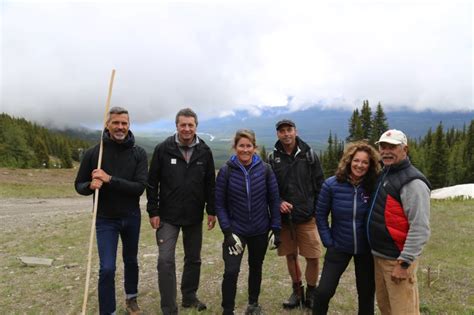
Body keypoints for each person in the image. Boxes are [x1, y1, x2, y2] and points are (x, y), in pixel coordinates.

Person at [75, 106, 148, 315]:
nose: (120, 127)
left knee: (131, 260)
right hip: (105, 219)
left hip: (131, 217)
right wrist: (90, 186)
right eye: (116, 122)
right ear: (107, 124)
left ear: (129, 125)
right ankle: (108, 311)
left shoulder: (139, 154)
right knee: (107, 268)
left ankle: (131, 298)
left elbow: (139, 187)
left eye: (124, 123)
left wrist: (109, 180)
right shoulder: (94, 153)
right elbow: (79, 185)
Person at [146, 108, 216, 315]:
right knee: (165, 260)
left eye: (190, 125)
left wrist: (211, 210)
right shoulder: (163, 149)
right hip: (168, 216)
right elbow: (152, 183)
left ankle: (189, 297)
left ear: (196, 126)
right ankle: (169, 308)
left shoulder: (205, 151)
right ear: (176, 126)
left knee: (193, 258)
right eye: (183, 125)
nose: (186, 128)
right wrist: (153, 211)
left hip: (194, 215)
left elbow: (210, 184)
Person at [215, 129, 281, 315]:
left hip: (260, 229)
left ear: (255, 147)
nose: (245, 149)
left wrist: (276, 230)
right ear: (235, 147)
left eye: (248, 146)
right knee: (231, 271)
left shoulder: (266, 169)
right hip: (236, 231)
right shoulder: (226, 171)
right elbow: (219, 204)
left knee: (256, 267)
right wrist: (227, 232)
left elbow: (274, 200)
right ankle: (227, 309)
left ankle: (253, 304)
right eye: (241, 146)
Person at [367, 129, 431, 315]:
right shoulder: (386, 173)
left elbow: (420, 227)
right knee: (386, 307)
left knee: (404, 310)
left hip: (397, 259)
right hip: (380, 256)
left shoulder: (413, 183)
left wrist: (404, 263)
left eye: (392, 147)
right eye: (383, 146)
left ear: (405, 149)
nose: (386, 151)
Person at [313, 141, 381, 315]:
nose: (360, 165)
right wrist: (328, 241)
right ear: (349, 161)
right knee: (323, 292)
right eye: (356, 160)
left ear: (370, 165)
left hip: (366, 249)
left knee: (366, 294)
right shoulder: (331, 185)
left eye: (365, 162)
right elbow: (320, 215)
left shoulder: (374, 185)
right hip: (339, 245)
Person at [268, 119, 324, 309]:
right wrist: (278, 202)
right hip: (285, 220)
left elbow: (320, 184)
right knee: (291, 256)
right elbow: (270, 188)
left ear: (295, 131)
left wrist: (316, 211)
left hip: (307, 217)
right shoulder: (272, 158)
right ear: (278, 134)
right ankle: (297, 291)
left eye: (289, 130)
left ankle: (311, 292)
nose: (286, 134)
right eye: (282, 131)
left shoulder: (309, 155)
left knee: (313, 257)